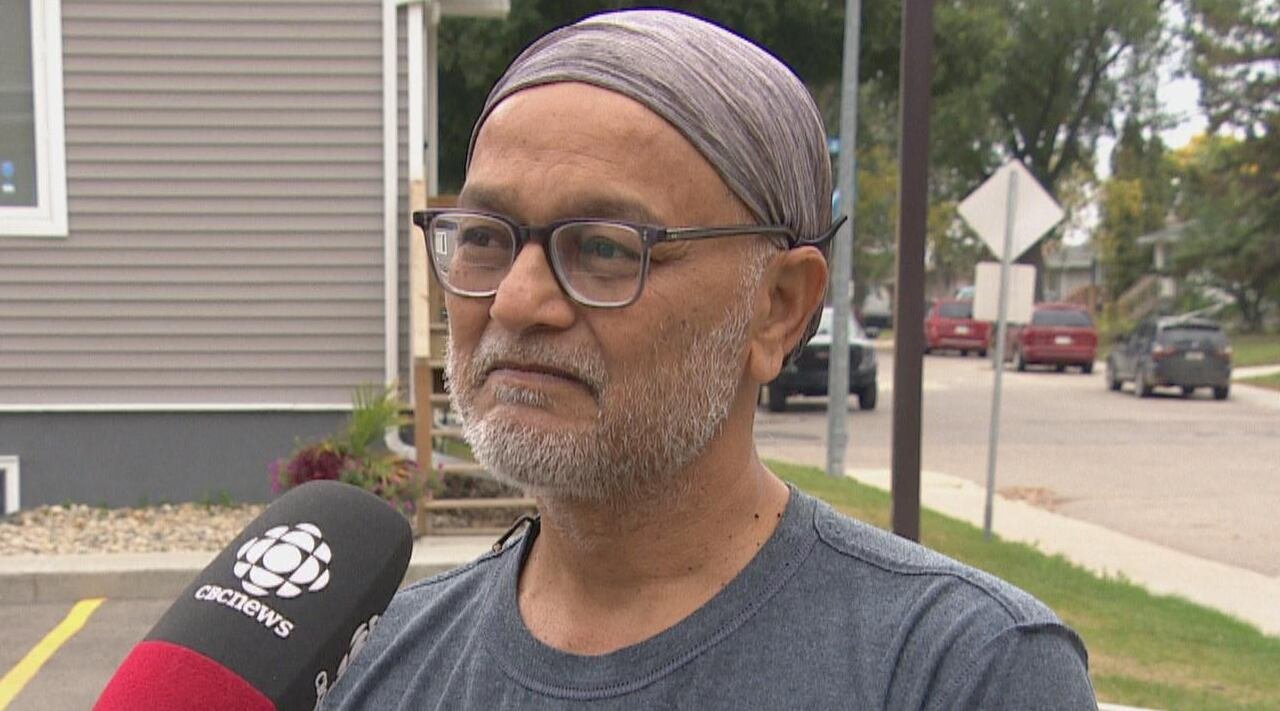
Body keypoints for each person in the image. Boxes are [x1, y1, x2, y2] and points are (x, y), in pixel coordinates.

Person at [322, 9, 1096, 709]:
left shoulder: (958, 671)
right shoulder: (384, 660)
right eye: (487, 236)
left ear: (778, 305)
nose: (518, 301)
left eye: (602, 248)